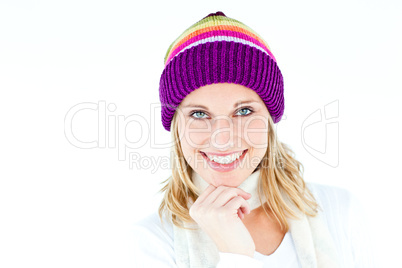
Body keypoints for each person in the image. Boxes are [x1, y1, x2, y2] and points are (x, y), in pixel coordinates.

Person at [132, 11, 376, 268]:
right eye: (199, 114)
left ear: (269, 120)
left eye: (244, 111)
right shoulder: (149, 243)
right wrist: (235, 256)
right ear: (176, 127)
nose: (223, 138)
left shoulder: (340, 212)